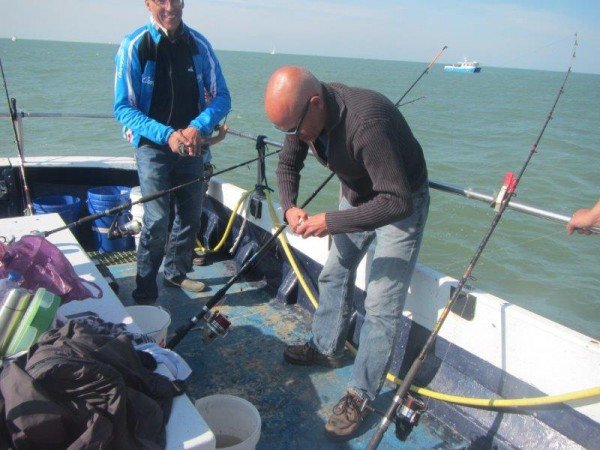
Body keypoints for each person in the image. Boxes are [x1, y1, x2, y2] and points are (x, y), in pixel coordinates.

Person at [264, 66, 430, 442]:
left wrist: (332, 221)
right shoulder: (301, 118)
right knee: (333, 272)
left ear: (316, 103)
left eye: (295, 130)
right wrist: (290, 207)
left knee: (381, 304)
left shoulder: (367, 122)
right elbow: (288, 164)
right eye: (286, 131)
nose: (294, 138)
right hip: (356, 192)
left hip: (400, 206)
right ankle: (325, 346)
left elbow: (397, 201)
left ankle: (360, 393)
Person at [114, 0, 231, 304]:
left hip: (192, 145)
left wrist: (197, 127)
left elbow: (222, 98)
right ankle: (144, 288)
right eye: (161, 1)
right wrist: (166, 135)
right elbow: (123, 107)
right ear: (148, 4)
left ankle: (176, 272)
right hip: (153, 147)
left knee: (190, 214)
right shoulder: (134, 45)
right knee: (156, 218)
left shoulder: (199, 45)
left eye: (175, 0)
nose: (169, 7)